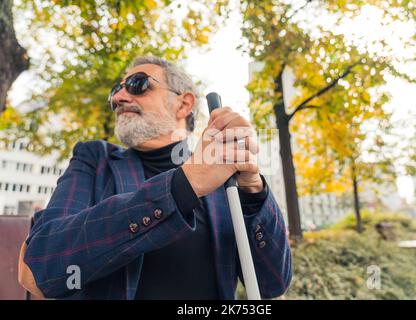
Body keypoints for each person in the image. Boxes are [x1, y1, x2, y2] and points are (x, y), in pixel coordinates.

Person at [18, 56, 291, 300]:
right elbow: (41, 266)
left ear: (184, 104)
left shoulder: (226, 179)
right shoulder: (94, 160)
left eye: (137, 84)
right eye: (116, 90)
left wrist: (253, 191)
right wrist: (183, 186)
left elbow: (272, 285)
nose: (119, 97)